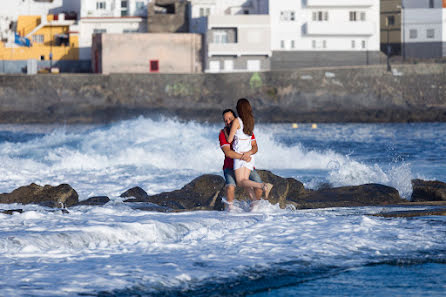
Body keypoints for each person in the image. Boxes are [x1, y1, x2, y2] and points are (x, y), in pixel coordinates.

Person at [226, 98, 273, 201]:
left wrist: (228, 130)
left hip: (240, 156)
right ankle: (255, 203)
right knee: (245, 181)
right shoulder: (250, 121)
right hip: (249, 155)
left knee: (240, 182)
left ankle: (263, 186)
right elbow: (250, 139)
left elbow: (229, 140)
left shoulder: (236, 121)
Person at [219, 108, 263, 209]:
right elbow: (228, 152)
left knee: (259, 186)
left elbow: (255, 147)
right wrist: (244, 157)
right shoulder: (223, 133)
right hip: (230, 167)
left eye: (230, 119)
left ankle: (254, 208)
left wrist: (249, 153)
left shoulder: (246, 129)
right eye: (226, 121)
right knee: (230, 187)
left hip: (246, 165)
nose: (228, 122)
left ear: (236, 119)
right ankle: (230, 212)